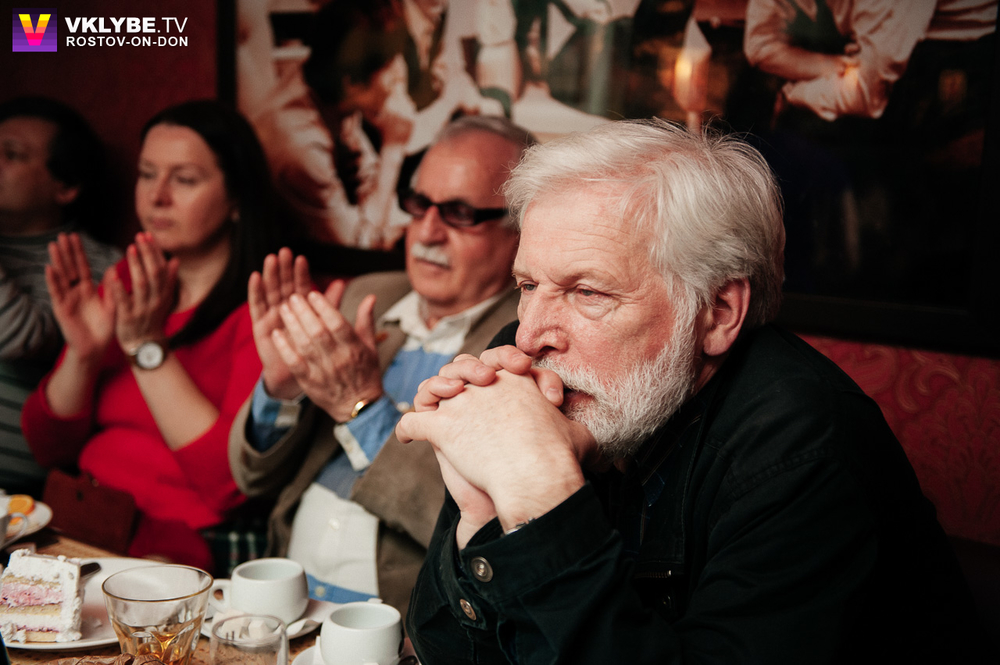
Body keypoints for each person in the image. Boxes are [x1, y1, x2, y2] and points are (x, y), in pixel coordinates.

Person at [396, 119, 993, 663]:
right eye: (528, 285)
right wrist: (482, 516)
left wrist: (545, 506)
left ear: (717, 312)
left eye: (588, 293)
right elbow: (438, 648)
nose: (529, 336)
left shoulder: (806, 447)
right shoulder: (537, 364)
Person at [228, 116, 535, 620]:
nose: (427, 232)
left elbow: (482, 526)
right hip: (283, 592)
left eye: (459, 213)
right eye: (419, 204)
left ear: (520, 232)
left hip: (397, 622)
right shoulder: (363, 297)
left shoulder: (523, 347)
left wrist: (362, 405)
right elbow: (251, 479)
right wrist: (281, 390)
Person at [22, 100, 287, 574]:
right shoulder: (128, 280)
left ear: (236, 197)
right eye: (147, 174)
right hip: (84, 519)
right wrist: (83, 354)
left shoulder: (267, 308)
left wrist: (148, 350)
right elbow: (48, 449)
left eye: (184, 179)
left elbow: (230, 485)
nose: (157, 196)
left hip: (182, 547)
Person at [0, 97, 120, 497]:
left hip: (20, 496)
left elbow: (17, 337)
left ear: (65, 187)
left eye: (12, 154)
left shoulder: (93, 265)